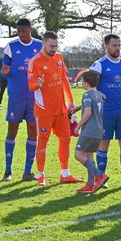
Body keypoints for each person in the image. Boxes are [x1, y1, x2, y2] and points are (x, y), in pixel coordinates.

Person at [27, 31, 83, 186]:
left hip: (61, 109)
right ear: (43, 44)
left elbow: (64, 79)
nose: (54, 48)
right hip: (44, 110)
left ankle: (65, 174)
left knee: (65, 139)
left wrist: (70, 100)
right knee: (43, 141)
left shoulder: (59, 57)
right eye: (51, 46)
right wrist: (36, 85)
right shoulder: (35, 61)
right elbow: (31, 85)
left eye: (56, 46)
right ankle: (40, 175)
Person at [89, 34, 121, 188]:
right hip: (105, 112)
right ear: (106, 46)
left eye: (119, 45)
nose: (117, 48)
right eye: (114, 45)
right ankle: (100, 179)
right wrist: (96, 92)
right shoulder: (99, 64)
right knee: (104, 144)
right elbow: (88, 83)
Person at [1, 18, 42, 181]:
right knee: (12, 131)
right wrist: (4, 72)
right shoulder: (11, 46)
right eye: (18, 31)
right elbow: (4, 72)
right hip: (16, 96)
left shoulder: (39, 46)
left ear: (30, 29)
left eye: (24, 30)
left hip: (34, 97)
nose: (21, 34)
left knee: (33, 131)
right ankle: (8, 171)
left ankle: (27, 171)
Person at [73, 70, 109, 193]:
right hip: (99, 130)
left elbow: (88, 113)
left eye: (82, 81)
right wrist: (78, 108)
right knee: (89, 156)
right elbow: (92, 108)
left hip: (89, 130)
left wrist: (78, 126)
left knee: (78, 154)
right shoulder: (99, 95)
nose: (82, 84)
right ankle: (90, 184)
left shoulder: (87, 95)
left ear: (87, 83)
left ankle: (99, 175)